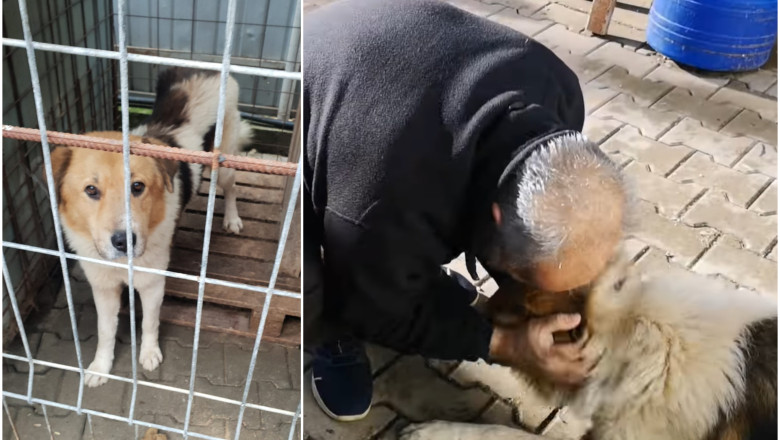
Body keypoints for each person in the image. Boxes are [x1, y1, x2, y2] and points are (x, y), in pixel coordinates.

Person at [302, 0, 628, 422]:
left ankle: (410, 279)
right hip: (306, 101)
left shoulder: (560, 92)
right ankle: (333, 336)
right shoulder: (385, 201)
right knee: (320, 286)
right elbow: (377, 312)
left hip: (388, 58)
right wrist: (507, 345)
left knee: (400, 259)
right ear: (496, 220)